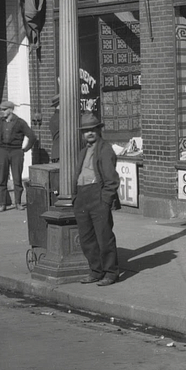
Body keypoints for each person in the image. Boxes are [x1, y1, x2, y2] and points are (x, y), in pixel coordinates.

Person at [73, 112, 120, 286]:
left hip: (97, 195)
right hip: (82, 196)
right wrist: (75, 197)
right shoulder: (83, 151)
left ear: (98, 130)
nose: (89, 133)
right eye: (86, 131)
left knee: (104, 237)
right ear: (82, 134)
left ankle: (110, 272)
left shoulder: (105, 149)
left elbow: (111, 179)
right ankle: (95, 270)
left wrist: (105, 200)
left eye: (93, 130)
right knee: (86, 239)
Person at [0, 100, 41, 211]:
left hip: (16, 151)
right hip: (3, 151)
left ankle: (18, 202)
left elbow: (31, 136)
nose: (2, 112)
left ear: (11, 110)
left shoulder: (20, 122)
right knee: (2, 177)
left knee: (17, 177)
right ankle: (2, 203)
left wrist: (25, 149)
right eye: (1, 109)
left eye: (4, 109)